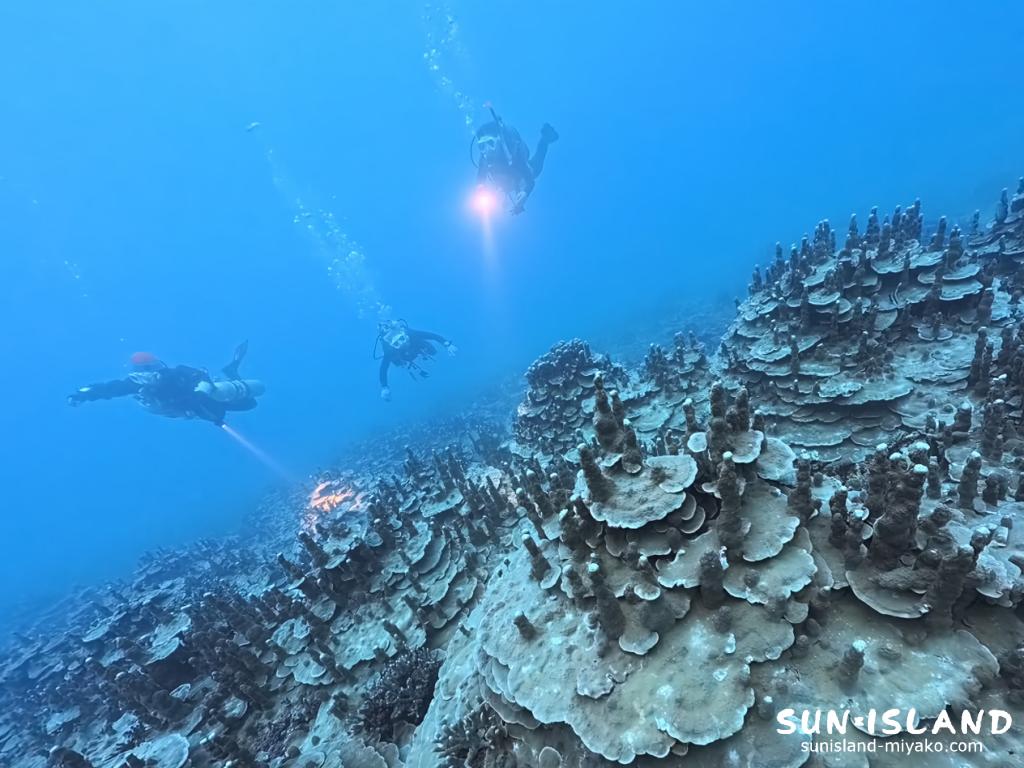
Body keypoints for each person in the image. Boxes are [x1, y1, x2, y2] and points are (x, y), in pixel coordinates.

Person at [67, 342, 264, 426]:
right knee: (220, 415)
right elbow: (109, 389)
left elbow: (201, 377)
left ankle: (231, 372)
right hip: (188, 408)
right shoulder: (135, 385)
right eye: (142, 371)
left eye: (151, 368)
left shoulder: (177, 372)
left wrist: (201, 394)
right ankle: (229, 376)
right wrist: (84, 394)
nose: (149, 374)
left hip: (203, 399)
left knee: (249, 404)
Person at [474, 103, 558, 214]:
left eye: (490, 143)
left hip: (518, 166)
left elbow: (530, 181)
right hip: (509, 180)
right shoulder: (484, 157)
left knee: (536, 169)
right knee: (509, 184)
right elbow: (481, 179)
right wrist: (480, 188)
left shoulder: (512, 154)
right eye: (481, 146)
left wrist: (525, 193)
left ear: (498, 141)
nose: (487, 150)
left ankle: (545, 139)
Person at [376, 320, 456, 401]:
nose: (401, 344)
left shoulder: (410, 334)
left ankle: (425, 357)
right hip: (405, 357)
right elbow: (383, 368)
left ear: (405, 336)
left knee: (433, 351)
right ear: (392, 345)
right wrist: (384, 387)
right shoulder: (389, 351)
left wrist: (446, 344)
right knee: (397, 361)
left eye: (402, 339)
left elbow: (430, 335)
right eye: (396, 344)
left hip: (417, 346)